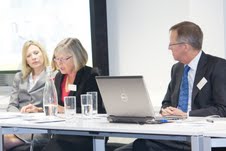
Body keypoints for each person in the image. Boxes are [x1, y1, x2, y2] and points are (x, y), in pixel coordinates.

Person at [115, 21, 226, 151]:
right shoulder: (177, 69)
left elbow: (222, 109)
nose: (169, 48)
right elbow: (166, 102)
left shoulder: (217, 66)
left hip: (200, 138)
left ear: (185, 46)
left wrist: (186, 115)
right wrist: (166, 110)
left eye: (171, 44)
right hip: (174, 132)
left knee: (141, 145)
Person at [41, 37, 106, 151]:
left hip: (85, 134)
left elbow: (96, 111)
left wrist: (63, 109)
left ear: (76, 57)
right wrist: (39, 109)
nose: (59, 63)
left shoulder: (91, 76)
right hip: (63, 132)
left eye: (63, 59)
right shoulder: (59, 77)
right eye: (56, 59)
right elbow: (56, 106)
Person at [5, 40, 50, 150]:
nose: (34, 57)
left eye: (36, 53)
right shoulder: (19, 77)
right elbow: (11, 105)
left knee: (4, 141)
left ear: (43, 53)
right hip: (19, 124)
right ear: (26, 61)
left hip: (41, 126)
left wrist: (37, 110)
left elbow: (55, 106)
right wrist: (20, 115)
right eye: (29, 56)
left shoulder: (53, 75)